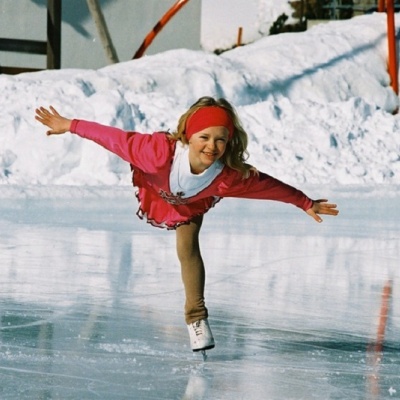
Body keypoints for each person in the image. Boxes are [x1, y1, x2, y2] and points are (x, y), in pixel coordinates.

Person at [35, 96, 339, 354]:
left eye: (221, 139)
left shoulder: (226, 176)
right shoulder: (155, 153)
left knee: (188, 247)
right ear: (188, 136)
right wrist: (70, 125)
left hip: (190, 203)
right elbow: (114, 138)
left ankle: (196, 319)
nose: (212, 146)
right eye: (204, 137)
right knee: (184, 238)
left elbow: (266, 186)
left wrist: (304, 202)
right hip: (158, 188)